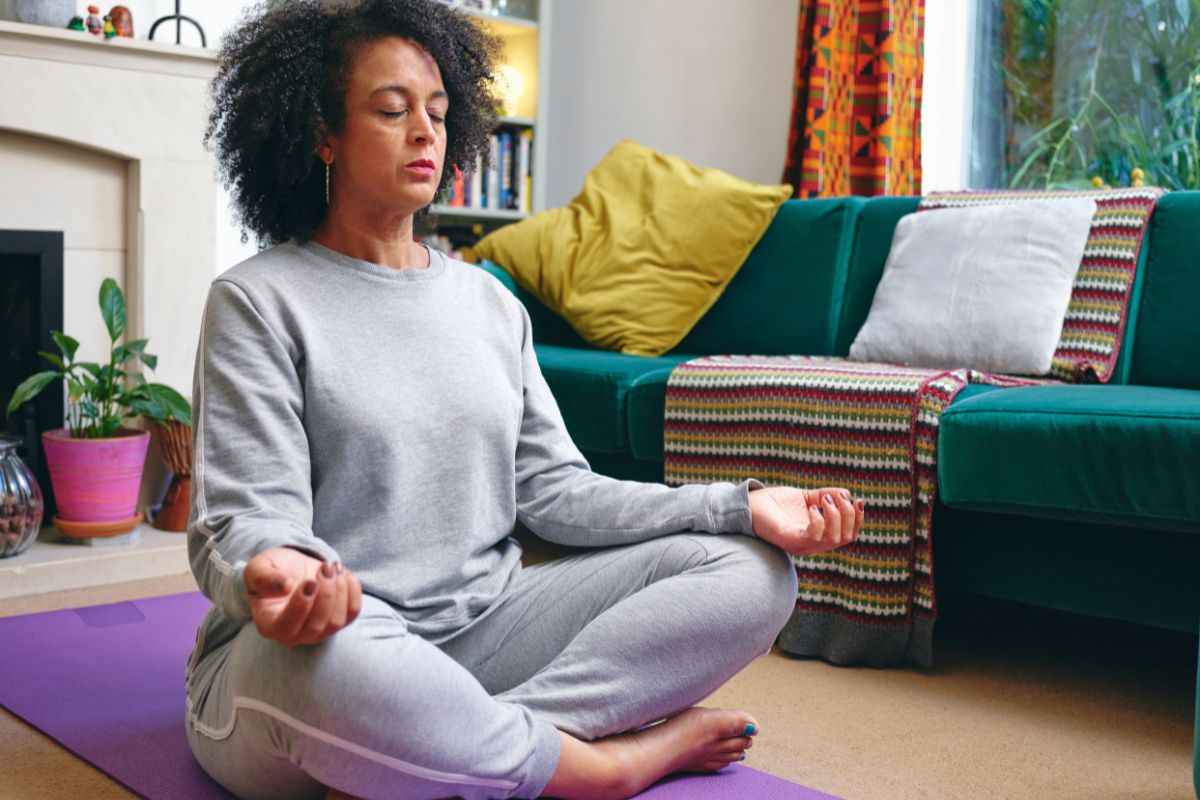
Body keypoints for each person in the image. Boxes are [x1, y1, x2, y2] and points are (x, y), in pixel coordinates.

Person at [185, 2, 865, 798]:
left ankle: (447, 751)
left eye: (438, 113)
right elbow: (242, 516)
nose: (425, 133)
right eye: (392, 109)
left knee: (755, 573)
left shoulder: (489, 305)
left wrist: (739, 509)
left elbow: (558, 492)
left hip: (490, 630)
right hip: (333, 640)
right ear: (320, 134)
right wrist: (282, 574)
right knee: (332, 662)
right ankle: (606, 766)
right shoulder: (257, 300)